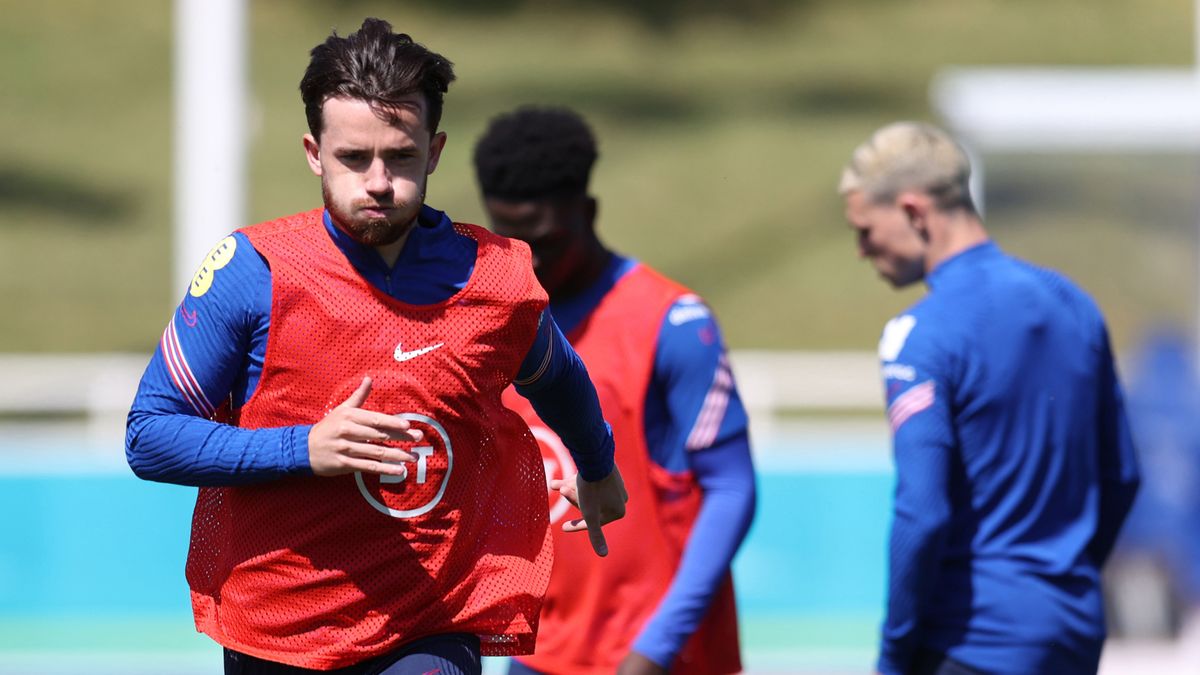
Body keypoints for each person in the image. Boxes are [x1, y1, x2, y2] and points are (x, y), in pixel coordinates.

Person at [125, 19, 627, 675]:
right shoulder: (255, 270)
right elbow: (150, 434)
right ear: (313, 151)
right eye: (354, 159)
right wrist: (302, 447)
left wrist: (597, 464)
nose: (379, 181)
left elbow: (555, 374)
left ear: (436, 149)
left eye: (401, 156)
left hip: (430, 621)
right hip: (280, 630)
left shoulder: (499, 277)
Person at [838, 121, 1141, 675]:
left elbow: (921, 513)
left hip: (972, 640)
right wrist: (1061, 582)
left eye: (864, 230)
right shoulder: (1073, 304)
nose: (860, 251)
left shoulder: (922, 334)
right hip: (1073, 633)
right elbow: (1122, 476)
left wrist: (894, 655)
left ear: (912, 211)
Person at [472, 106, 757, 675]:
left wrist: (657, 646)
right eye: (512, 240)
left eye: (547, 242)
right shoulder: (490, 326)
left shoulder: (672, 324)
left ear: (589, 212)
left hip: (660, 658)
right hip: (540, 656)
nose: (530, 261)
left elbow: (732, 489)